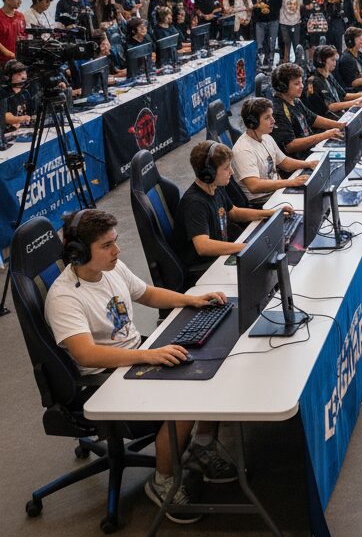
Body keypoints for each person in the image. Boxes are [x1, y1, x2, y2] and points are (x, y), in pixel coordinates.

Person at [44, 209, 235, 519]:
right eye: (106, 246)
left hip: (134, 353)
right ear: (77, 253)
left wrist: (191, 299)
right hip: (106, 377)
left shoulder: (111, 269)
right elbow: (86, 355)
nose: (116, 251)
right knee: (188, 395)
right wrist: (147, 355)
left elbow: (146, 294)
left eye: (115, 242)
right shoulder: (64, 298)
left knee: (210, 358)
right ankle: (162, 481)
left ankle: (201, 445)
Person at [174, 141, 286, 280]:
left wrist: (272, 213)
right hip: (207, 267)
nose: (232, 172)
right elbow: (203, 246)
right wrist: (243, 247)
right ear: (208, 173)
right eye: (227, 168)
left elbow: (234, 212)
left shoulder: (215, 186)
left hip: (222, 254)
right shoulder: (195, 203)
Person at [231, 97, 318, 204]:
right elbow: (254, 186)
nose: (273, 120)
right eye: (267, 118)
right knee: (310, 201)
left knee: (315, 193)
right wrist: (289, 182)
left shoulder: (266, 136)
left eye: (272, 116)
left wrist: (308, 164)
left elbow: (284, 162)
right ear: (252, 123)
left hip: (277, 191)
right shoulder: (243, 150)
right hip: (263, 201)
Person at [270, 62, 343, 158]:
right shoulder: (278, 111)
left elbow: (313, 119)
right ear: (283, 86)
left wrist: (341, 125)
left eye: (301, 82)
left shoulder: (295, 101)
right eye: (296, 84)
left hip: (311, 150)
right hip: (299, 161)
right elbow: (289, 146)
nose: (302, 86)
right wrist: (324, 135)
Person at [305, 45, 362, 119]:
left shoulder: (329, 75)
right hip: (328, 123)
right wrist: (356, 102)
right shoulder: (315, 81)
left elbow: (344, 96)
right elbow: (331, 107)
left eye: (335, 60)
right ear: (321, 61)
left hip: (339, 116)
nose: (335, 62)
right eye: (332, 60)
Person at [251, 0, 281, 69]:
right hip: (260, 22)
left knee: (272, 43)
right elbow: (254, 7)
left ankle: (270, 60)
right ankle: (260, 61)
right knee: (259, 43)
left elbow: (277, 9)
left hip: (273, 22)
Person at [0, 0, 26, 66]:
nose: (20, 1)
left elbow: (24, 35)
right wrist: (8, 53)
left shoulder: (20, 16)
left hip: (19, 61)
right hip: (3, 62)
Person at [2, 60, 34, 127]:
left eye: (24, 73)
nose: (23, 77)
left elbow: (31, 113)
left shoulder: (26, 92)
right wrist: (20, 119)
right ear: (9, 77)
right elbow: (5, 117)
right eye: (18, 74)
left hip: (25, 129)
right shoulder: (3, 94)